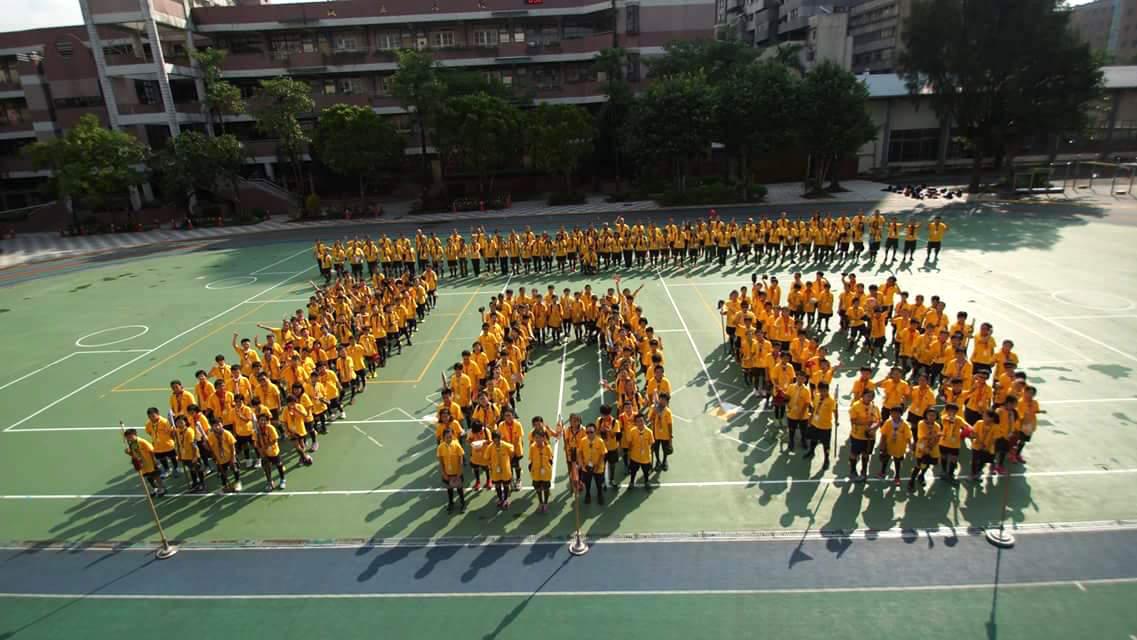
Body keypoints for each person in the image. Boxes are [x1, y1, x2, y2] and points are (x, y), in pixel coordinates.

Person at [847, 389, 880, 480]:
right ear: (863, 396)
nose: (870, 398)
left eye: (872, 396)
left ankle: (864, 470)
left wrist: (873, 428)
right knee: (854, 453)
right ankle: (853, 470)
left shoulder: (874, 407)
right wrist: (867, 422)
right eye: (868, 396)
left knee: (866, 454)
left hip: (870, 436)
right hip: (857, 435)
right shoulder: (855, 406)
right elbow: (853, 420)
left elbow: (878, 421)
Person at [123, 428, 165, 497]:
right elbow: (134, 454)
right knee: (148, 477)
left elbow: (151, 450)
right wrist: (128, 453)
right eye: (127, 437)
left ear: (135, 434)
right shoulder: (131, 444)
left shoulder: (142, 441)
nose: (129, 438)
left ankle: (162, 488)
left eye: (130, 436)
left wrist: (154, 460)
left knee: (156, 476)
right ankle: (155, 488)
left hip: (150, 463)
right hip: (142, 464)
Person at [804, 382, 836, 469]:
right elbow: (814, 408)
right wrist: (810, 420)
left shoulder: (831, 400)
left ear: (827, 390)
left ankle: (826, 459)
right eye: (821, 390)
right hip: (815, 423)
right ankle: (811, 451)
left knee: (826, 445)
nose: (822, 392)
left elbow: (835, 410)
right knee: (813, 439)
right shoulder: (817, 396)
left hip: (825, 426)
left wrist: (837, 420)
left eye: (824, 391)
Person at [877, 407, 911, 487]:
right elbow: (883, 434)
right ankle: (882, 472)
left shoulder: (905, 424)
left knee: (897, 462)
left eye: (896, 413)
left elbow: (908, 436)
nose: (894, 415)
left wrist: (910, 446)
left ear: (901, 414)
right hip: (888, 446)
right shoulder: (888, 422)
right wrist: (882, 444)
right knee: (885, 459)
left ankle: (897, 476)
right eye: (892, 413)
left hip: (899, 447)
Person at [253, 413, 286, 491]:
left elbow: (274, 440)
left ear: (267, 421)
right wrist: (260, 451)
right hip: (264, 453)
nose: (263, 422)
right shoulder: (256, 431)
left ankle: (282, 479)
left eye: (264, 420)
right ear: (258, 421)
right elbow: (256, 443)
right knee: (266, 468)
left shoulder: (270, 428)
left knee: (279, 465)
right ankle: (269, 481)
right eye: (261, 420)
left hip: (273, 451)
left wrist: (266, 446)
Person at [437, 427, 466, 513]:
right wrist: (443, 473)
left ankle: (462, 503)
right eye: (447, 437)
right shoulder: (440, 447)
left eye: (450, 437)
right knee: (449, 489)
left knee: (459, 488)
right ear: (443, 437)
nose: (449, 439)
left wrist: (459, 472)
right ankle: (451, 503)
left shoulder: (456, 445)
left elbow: (461, 459)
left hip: (457, 472)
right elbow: (441, 462)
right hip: (447, 473)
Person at [579, 423, 608, 505]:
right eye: (587, 432)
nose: (589, 434)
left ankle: (600, 494)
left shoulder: (600, 441)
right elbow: (579, 452)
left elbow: (603, 454)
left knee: (599, 483)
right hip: (586, 466)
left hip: (598, 467)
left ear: (595, 432)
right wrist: (582, 463)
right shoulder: (583, 441)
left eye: (591, 432)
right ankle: (588, 494)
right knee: (587, 483)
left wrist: (597, 466)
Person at [625, 413, 655, 491]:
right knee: (633, 471)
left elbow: (651, 446)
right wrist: (629, 457)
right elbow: (630, 445)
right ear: (635, 423)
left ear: (644, 421)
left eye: (641, 421)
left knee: (646, 472)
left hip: (646, 457)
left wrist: (652, 460)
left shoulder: (649, 432)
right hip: (635, 457)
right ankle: (631, 482)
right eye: (638, 421)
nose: (640, 423)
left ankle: (646, 482)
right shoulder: (632, 431)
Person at [485, 430, 515, 509]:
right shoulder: (490, 447)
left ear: (500, 438)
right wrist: (490, 465)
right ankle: (500, 499)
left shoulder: (506, 445)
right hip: (495, 471)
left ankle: (505, 499)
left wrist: (508, 462)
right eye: (494, 439)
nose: (496, 441)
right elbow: (486, 457)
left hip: (505, 470)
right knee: (497, 485)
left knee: (506, 485)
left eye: (497, 439)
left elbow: (512, 452)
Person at [648, 393, 674, 472]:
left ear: (667, 402)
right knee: (656, 448)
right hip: (655, 433)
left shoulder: (668, 411)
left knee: (665, 449)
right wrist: (654, 412)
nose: (662, 401)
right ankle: (658, 461)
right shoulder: (653, 407)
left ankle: (664, 461)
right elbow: (649, 418)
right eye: (661, 399)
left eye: (664, 400)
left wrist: (670, 436)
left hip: (665, 434)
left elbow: (669, 424)